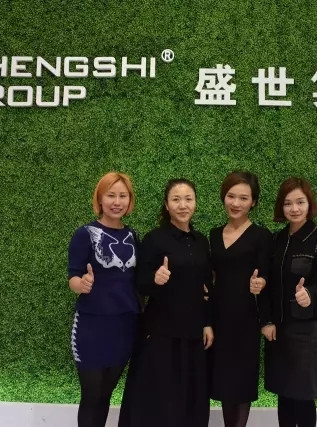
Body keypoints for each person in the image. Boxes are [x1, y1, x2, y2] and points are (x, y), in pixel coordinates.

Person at [119, 178, 213, 427]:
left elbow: (207, 287)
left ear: (195, 203)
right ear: (167, 204)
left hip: (193, 331)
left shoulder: (201, 241)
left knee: (189, 397)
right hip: (161, 332)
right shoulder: (154, 239)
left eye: (188, 199)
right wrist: (155, 278)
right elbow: (140, 283)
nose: (183, 205)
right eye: (176, 199)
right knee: (159, 398)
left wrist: (207, 323)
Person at [261, 177, 317, 427]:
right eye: (288, 203)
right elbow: (268, 285)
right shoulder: (276, 240)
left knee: (303, 395)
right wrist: (267, 321)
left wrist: (309, 296)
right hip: (279, 329)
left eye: (300, 202)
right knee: (284, 393)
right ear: (281, 207)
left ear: (309, 204)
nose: (294, 208)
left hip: (308, 331)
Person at [67, 172, 140, 427]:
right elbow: (73, 277)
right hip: (91, 327)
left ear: (129, 200)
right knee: (92, 396)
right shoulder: (84, 234)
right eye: (110, 195)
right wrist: (82, 285)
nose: (116, 202)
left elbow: (139, 279)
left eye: (122, 196)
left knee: (106, 395)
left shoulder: (133, 236)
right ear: (100, 199)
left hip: (124, 327)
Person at [208, 171, 272, 427]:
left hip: (246, 319)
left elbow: (267, 275)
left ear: (253, 202)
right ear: (224, 197)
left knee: (242, 383)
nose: (236, 203)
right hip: (219, 318)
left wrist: (262, 282)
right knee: (224, 382)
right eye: (231, 196)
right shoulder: (213, 235)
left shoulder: (262, 236)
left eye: (243, 198)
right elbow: (210, 274)